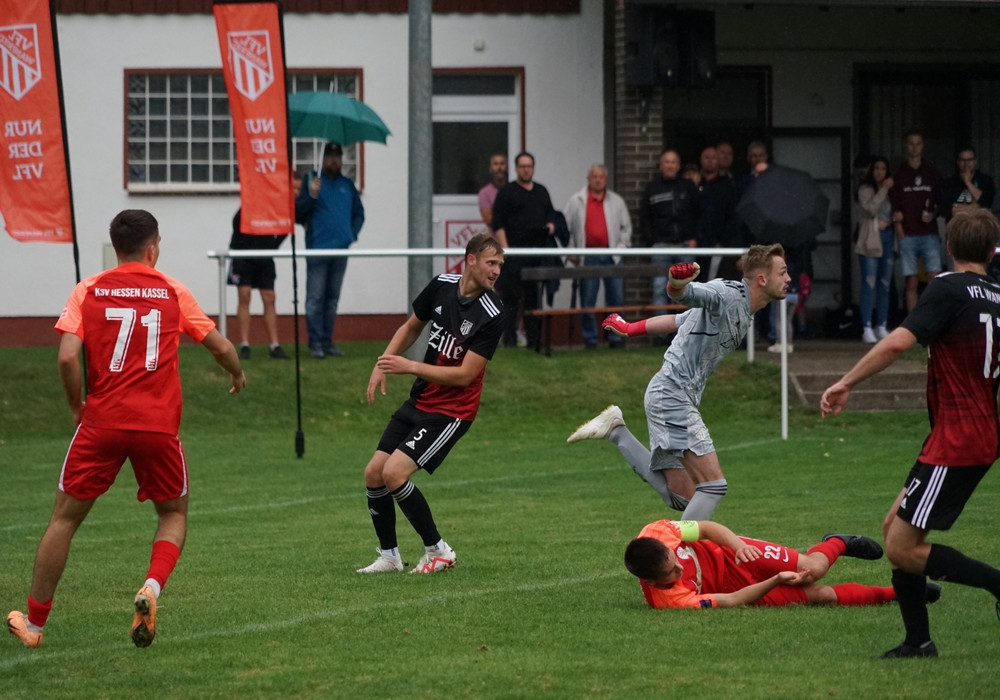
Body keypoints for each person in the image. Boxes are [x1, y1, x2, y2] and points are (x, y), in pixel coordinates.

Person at [6, 209, 246, 649]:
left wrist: (76, 404)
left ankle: (35, 625)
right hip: (157, 426)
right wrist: (236, 372)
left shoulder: (88, 289)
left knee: (64, 520)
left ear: (117, 247)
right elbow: (220, 346)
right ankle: (150, 588)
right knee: (172, 514)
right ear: (152, 248)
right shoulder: (172, 291)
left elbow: (66, 356)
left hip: (101, 422)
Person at [820, 208, 1000, 659]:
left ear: (948, 247)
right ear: (991, 251)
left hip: (957, 438)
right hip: (972, 433)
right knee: (893, 530)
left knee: (901, 548)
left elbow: (899, 341)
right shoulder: (998, 296)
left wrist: (846, 382)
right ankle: (918, 642)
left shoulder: (947, 287)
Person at [567, 246, 790, 520]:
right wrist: (676, 283)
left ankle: (616, 431)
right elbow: (681, 294)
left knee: (684, 497)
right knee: (713, 486)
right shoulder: (726, 294)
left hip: (671, 395)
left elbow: (678, 320)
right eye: (783, 272)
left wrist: (630, 328)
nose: (788, 278)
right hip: (672, 395)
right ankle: (682, 546)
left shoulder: (745, 309)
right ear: (762, 279)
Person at [357, 233, 506, 575]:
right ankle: (390, 557)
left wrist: (409, 366)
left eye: (500, 265)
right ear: (471, 259)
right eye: (491, 262)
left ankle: (439, 551)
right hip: (421, 399)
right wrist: (383, 363)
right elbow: (411, 327)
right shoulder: (441, 285)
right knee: (374, 473)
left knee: (394, 473)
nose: (496, 271)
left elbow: (465, 376)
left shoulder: (493, 313)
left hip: (452, 411)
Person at [625, 519, 941, 610]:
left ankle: (838, 542)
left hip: (736, 553)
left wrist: (738, 546)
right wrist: (775, 580)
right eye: (672, 572)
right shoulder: (671, 600)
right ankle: (904, 593)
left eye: (675, 560)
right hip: (733, 587)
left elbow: (706, 528)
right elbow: (732, 600)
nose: (680, 568)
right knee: (820, 595)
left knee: (813, 569)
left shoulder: (659, 532)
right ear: (651, 582)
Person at [296, 141, 365, 359]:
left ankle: (327, 342)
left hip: (340, 251)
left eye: (337, 156)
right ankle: (315, 343)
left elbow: (359, 214)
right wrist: (311, 195)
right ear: (323, 159)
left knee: (332, 299)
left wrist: (350, 235)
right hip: (317, 249)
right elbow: (298, 214)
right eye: (330, 156)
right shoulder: (311, 180)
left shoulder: (347, 185)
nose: (334, 160)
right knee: (315, 298)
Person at [228, 174, 301, 360]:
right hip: (243, 255)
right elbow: (237, 222)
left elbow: (285, 229)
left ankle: (274, 346)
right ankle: (245, 345)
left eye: (299, 189)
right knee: (244, 295)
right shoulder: (258, 201)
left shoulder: (287, 209)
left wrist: (270, 247)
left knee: (269, 297)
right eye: (293, 188)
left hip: (265, 257)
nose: (295, 192)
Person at [491, 152, 557, 350]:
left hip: (537, 255)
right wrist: (506, 249)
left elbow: (551, 214)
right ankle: (510, 341)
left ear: (533, 168)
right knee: (511, 300)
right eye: (522, 166)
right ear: (516, 168)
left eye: (529, 166)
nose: (526, 170)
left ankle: (533, 341)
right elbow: (498, 222)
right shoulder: (507, 193)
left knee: (533, 300)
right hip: (514, 255)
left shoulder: (542, 191)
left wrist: (551, 225)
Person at [563, 164, 632, 349]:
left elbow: (626, 229)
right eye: (594, 176)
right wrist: (570, 252)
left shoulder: (616, 201)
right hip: (587, 256)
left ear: (606, 179)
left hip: (612, 256)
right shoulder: (577, 201)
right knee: (588, 301)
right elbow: (564, 229)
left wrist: (620, 249)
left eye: (601, 176)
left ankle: (616, 339)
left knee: (616, 300)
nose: (598, 179)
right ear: (588, 179)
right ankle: (590, 340)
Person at [639, 148, 701, 335]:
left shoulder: (688, 187)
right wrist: (652, 241)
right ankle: (661, 335)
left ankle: (687, 332)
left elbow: (700, 214)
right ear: (661, 166)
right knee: (659, 289)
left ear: (678, 166)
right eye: (667, 162)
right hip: (661, 247)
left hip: (685, 246)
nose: (670, 165)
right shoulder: (652, 189)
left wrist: (695, 238)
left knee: (687, 290)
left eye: (673, 162)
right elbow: (645, 218)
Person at [889, 128, 941, 312]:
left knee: (933, 279)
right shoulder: (899, 174)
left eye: (918, 143)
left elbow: (941, 202)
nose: (914, 147)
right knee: (911, 281)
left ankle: (934, 321)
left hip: (929, 233)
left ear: (922, 146)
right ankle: (913, 324)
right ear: (906, 146)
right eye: (911, 143)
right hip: (908, 234)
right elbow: (894, 207)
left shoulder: (932, 173)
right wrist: (900, 233)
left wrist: (933, 214)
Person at [855, 156, 896, 344]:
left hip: (888, 236)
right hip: (871, 238)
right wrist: (884, 189)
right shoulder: (865, 189)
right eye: (876, 168)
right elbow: (870, 209)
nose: (880, 172)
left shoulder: (892, 190)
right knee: (869, 283)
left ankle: (882, 324)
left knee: (884, 284)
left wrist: (892, 220)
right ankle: (866, 326)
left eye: (883, 168)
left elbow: (896, 211)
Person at [937, 146, 996, 223]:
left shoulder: (985, 180)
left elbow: (987, 203)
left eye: (970, 160)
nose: (966, 164)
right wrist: (975, 207)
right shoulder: (948, 183)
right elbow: (944, 210)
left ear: (975, 161)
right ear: (958, 162)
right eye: (962, 160)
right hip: (956, 228)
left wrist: (968, 183)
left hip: (980, 227)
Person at [478, 152, 508, 228]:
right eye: (496, 164)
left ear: (507, 168)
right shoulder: (484, 193)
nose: (499, 167)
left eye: (502, 164)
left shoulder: (515, 189)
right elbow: (488, 219)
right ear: (491, 169)